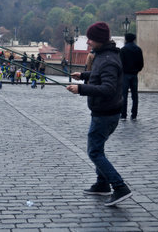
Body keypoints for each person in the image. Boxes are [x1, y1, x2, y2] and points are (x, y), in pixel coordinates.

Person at [66, 22, 132, 207]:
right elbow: (100, 76)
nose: (88, 42)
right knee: (98, 148)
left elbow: (108, 88)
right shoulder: (104, 55)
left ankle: (119, 186)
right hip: (105, 111)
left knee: (94, 151)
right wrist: (85, 76)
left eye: (91, 39)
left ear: (99, 40)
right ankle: (102, 184)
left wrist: (81, 89)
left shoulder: (108, 59)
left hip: (105, 113)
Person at [120, 33, 144, 120]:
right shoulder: (138, 49)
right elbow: (141, 64)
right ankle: (134, 115)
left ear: (126, 39)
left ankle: (123, 115)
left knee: (124, 95)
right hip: (134, 74)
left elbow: (120, 64)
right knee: (135, 95)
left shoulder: (123, 50)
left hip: (125, 74)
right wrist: (137, 70)